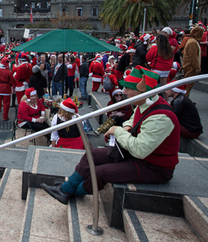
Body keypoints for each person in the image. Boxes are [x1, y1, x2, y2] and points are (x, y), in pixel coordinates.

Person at [41, 66, 180, 204]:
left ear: (142, 91)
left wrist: (118, 131)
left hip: (152, 166)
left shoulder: (161, 117)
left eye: (128, 88)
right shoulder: (144, 104)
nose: (124, 92)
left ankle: (71, 191)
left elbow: (140, 150)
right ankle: (67, 187)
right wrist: (127, 126)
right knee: (92, 154)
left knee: (101, 172)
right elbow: (134, 118)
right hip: (136, 155)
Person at [183, 26, 204, 97]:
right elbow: (193, 57)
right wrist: (197, 67)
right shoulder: (193, 42)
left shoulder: (192, 41)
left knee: (188, 84)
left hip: (189, 65)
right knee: (188, 85)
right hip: (190, 66)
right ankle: (184, 99)